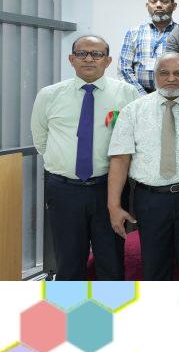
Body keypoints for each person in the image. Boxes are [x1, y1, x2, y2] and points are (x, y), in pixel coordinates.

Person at [30, 35, 140, 280]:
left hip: (108, 190)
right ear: (71, 59)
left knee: (111, 261)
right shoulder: (49, 95)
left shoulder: (127, 94)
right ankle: (70, 306)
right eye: (82, 53)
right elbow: (41, 140)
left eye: (97, 54)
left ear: (108, 61)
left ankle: (111, 305)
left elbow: (135, 138)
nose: (89, 59)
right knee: (68, 263)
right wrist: (65, 164)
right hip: (63, 190)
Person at [106, 53, 179, 280]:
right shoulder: (133, 110)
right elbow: (120, 159)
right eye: (164, 73)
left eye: (178, 73)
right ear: (154, 76)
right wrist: (114, 206)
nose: (171, 78)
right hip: (150, 199)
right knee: (154, 266)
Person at [119, 0, 179, 94]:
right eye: (153, 1)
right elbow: (124, 68)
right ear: (147, 5)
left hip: (173, 95)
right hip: (138, 96)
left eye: (164, 1)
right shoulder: (134, 32)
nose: (158, 5)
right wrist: (141, 95)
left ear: (174, 6)